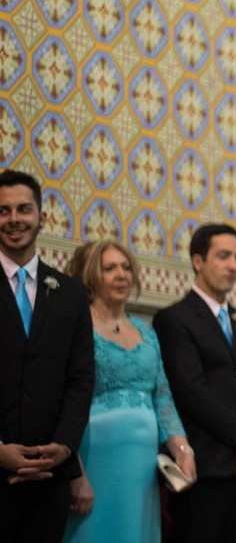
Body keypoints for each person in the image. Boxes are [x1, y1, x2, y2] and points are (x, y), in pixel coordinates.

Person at [63, 240, 195, 542]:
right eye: (109, 268)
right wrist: (74, 475)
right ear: (88, 274)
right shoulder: (76, 327)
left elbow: (162, 399)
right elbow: (65, 403)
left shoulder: (146, 332)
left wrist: (183, 450)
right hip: (94, 458)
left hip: (141, 466)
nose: (120, 275)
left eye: (125, 267)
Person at [153, 223, 236, 543]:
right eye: (223, 256)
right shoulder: (174, 319)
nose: (233, 266)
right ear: (198, 261)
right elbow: (191, 390)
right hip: (205, 466)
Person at [0, 169, 95, 542]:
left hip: (51, 470)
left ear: (43, 217)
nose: (13, 219)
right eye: (3, 211)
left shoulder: (70, 293)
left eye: (24, 209)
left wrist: (64, 445)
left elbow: (81, 376)